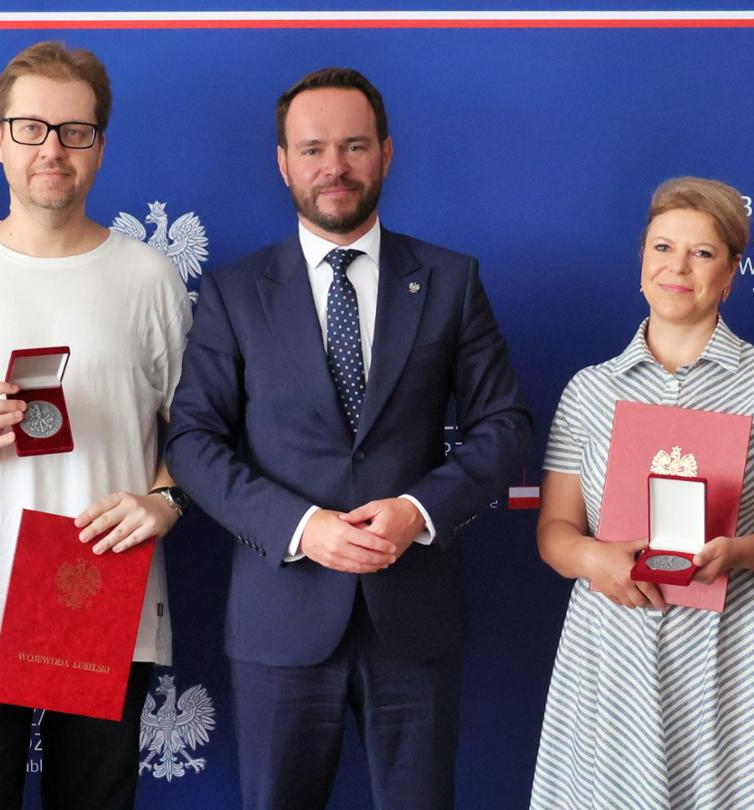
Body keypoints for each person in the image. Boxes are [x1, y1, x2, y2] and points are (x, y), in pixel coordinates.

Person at [164, 66, 531, 810]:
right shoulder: (235, 294)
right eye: (313, 149)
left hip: (415, 620)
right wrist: (303, 528)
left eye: (354, 146)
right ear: (283, 162)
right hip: (281, 620)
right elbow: (194, 442)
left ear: (386, 155)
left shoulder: (452, 281)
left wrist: (418, 513)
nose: (335, 167)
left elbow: (505, 428)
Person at [0, 41, 191, 809]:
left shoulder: (150, 278)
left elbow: (198, 437)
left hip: (104, 594)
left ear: (99, 147)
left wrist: (164, 502)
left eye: (74, 131)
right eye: (30, 128)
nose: (52, 148)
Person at [529, 177, 754, 809]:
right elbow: (556, 531)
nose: (678, 266)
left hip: (738, 646)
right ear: (641, 262)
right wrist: (593, 559)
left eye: (702, 253)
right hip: (614, 643)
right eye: (663, 247)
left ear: (730, 273)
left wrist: (739, 552)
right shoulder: (588, 391)